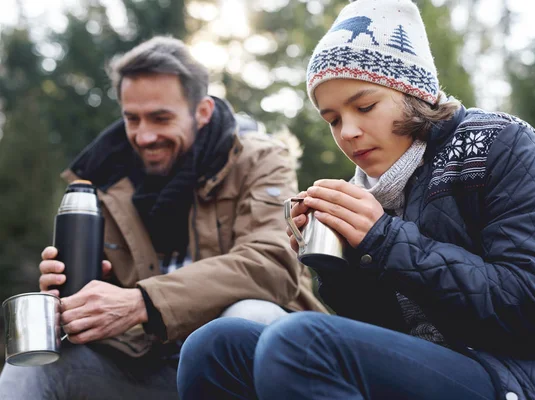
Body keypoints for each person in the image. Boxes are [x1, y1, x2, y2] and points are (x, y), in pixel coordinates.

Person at [175, 1, 535, 399]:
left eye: (365, 106)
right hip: (433, 366)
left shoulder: (500, 143)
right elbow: (381, 334)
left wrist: (383, 238)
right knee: (215, 345)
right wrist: (337, 265)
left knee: (299, 342)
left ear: (413, 92)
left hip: (526, 372)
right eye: (333, 119)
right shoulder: (364, 191)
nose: (348, 132)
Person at [0, 36, 327, 400]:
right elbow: (109, 313)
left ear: (201, 112)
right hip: (153, 369)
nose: (144, 135)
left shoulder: (262, 160)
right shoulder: (100, 183)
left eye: (160, 118)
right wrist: (71, 301)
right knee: (31, 364)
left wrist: (142, 301)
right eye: (132, 119)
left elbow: (272, 266)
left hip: (258, 362)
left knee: (246, 315)